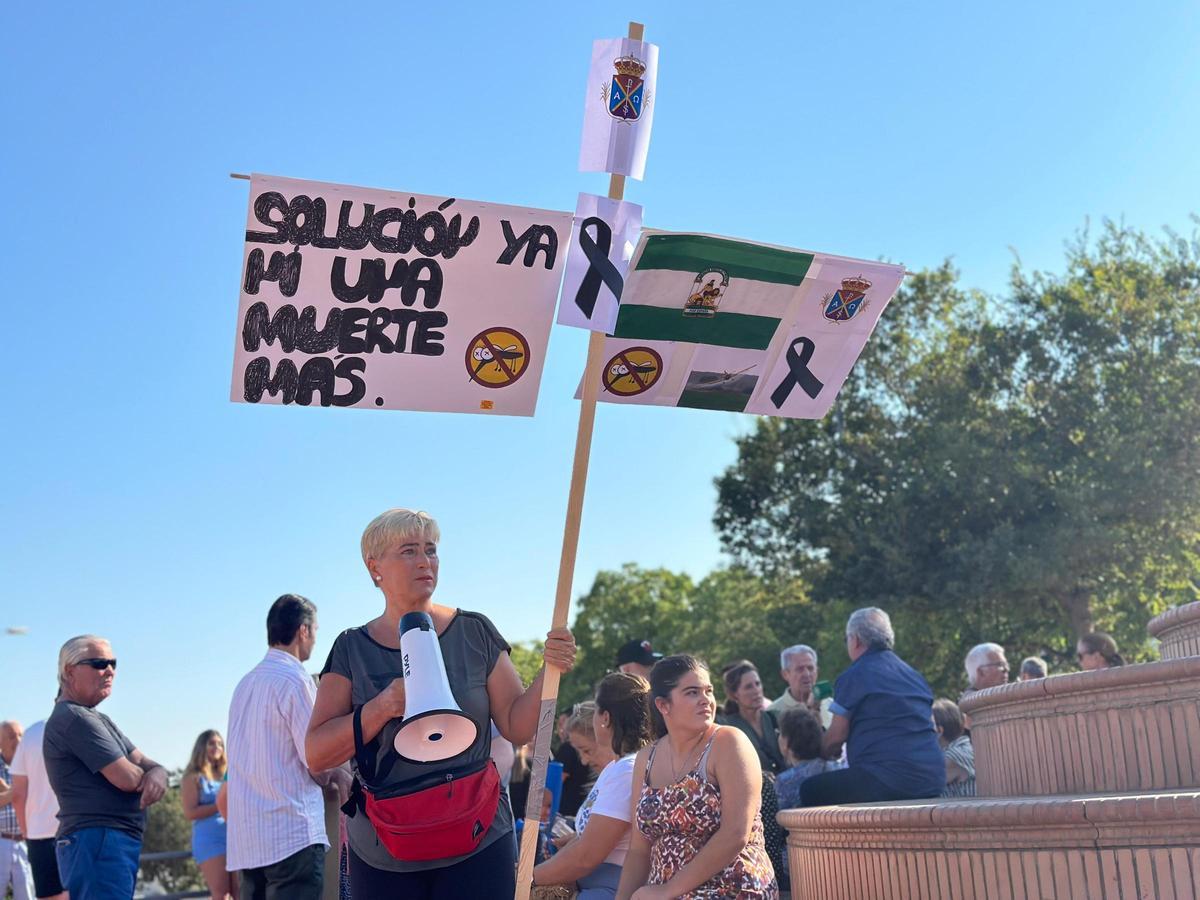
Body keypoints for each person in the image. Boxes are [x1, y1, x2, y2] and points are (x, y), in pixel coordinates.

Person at [305, 508, 577, 898]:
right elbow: (316, 753)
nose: (424, 562)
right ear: (374, 567)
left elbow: (517, 726)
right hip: (386, 850)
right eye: (409, 551)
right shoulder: (351, 649)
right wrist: (380, 707)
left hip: (478, 837)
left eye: (430, 550)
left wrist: (549, 673)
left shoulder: (474, 631)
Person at [615, 655, 777, 900]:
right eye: (692, 692)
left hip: (730, 885)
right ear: (663, 705)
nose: (706, 701)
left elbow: (735, 834)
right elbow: (639, 850)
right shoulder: (646, 758)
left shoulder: (729, 743)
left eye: (709, 691)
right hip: (662, 893)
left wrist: (668, 891)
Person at [225, 594, 350, 900]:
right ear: (303, 630)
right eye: (316, 631)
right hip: (291, 835)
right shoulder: (295, 679)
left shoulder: (244, 685)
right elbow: (316, 758)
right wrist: (339, 775)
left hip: (248, 841)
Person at [44, 635, 169, 900]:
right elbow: (128, 777)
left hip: (104, 841)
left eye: (113, 663)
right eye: (99, 663)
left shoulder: (97, 718)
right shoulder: (74, 718)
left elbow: (148, 764)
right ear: (69, 670)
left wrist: (157, 772)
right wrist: (152, 774)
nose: (110, 670)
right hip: (99, 841)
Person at [800, 608, 944, 806]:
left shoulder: (854, 676)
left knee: (810, 789)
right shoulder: (915, 676)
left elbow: (836, 738)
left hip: (887, 779)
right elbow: (932, 728)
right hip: (932, 779)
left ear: (856, 640)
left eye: (846, 639)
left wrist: (821, 752)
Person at [533, 673, 654, 899]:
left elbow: (586, 857)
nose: (584, 760)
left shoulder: (628, 770)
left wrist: (525, 880)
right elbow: (586, 842)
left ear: (605, 718)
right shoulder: (619, 767)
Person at [10, 715, 67, 900]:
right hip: (74, 831)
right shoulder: (86, 727)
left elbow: (18, 795)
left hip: (38, 835)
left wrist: (27, 833)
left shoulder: (31, 734)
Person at [181, 729, 237, 900]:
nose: (217, 747)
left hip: (233, 838)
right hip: (210, 840)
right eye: (212, 743)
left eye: (220, 743)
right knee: (222, 894)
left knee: (239, 892)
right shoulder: (193, 777)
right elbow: (190, 812)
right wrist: (221, 804)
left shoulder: (228, 773)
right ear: (202, 746)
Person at [718, 661, 785, 775]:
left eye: (757, 684)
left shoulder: (775, 718)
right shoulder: (729, 729)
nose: (756, 691)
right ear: (734, 695)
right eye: (748, 687)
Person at [774, 708, 844, 810]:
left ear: (786, 742)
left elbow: (780, 820)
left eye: (779, 733)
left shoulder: (784, 781)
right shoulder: (838, 768)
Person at [0, 720, 34, 900]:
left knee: (27, 896)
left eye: (21, 735)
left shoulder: (30, 766)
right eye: (12, 736)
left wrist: (9, 793)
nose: (18, 740)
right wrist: (18, 792)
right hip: (1, 841)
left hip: (24, 842)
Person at [768, 644, 832, 728]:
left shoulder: (831, 706)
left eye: (810, 668)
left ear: (817, 671)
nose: (806, 674)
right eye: (799, 669)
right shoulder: (773, 713)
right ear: (785, 674)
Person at [931, 699, 975, 797]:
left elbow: (922, 785)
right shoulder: (964, 748)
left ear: (939, 731)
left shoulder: (952, 757)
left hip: (965, 811)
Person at [554, 709, 590, 816]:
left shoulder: (568, 747)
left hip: (564, 811)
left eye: (563, 723)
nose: (560, 729)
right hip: (582, 809)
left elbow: (556, 781)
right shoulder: (588, 747)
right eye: (558, 725)